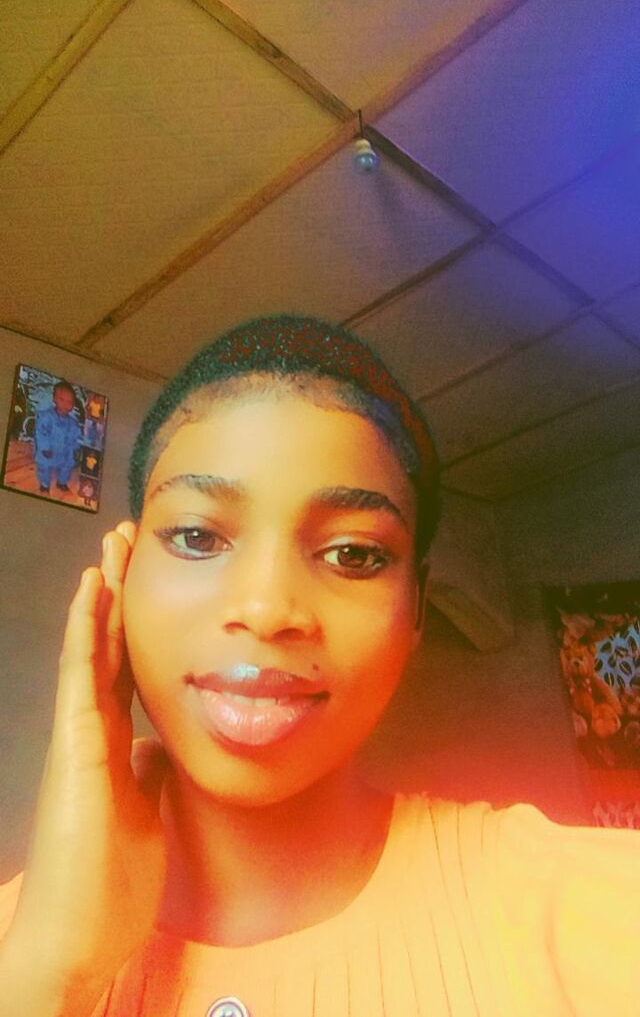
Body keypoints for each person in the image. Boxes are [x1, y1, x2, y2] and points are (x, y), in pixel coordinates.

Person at [0, 315, 637, 1017]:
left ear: (416, 608)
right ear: (122, 575)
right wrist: (46, 978)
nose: (268, 609)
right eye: (197, 536)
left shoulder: (584, 907)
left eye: (353, 554)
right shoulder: (19, 948)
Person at [33, 380, 81, 494]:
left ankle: (62, 482)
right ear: (54, 399)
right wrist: (45, 447)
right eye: (62, 399)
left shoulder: (73, 422)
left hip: (65, 451)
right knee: (44, 466)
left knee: (68, 464)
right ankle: (45, 484)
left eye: (70, 402)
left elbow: (75, 436)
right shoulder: (47, 416)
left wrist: (75, 448)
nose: (65, 404)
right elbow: (40, 432)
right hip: (49, 450)